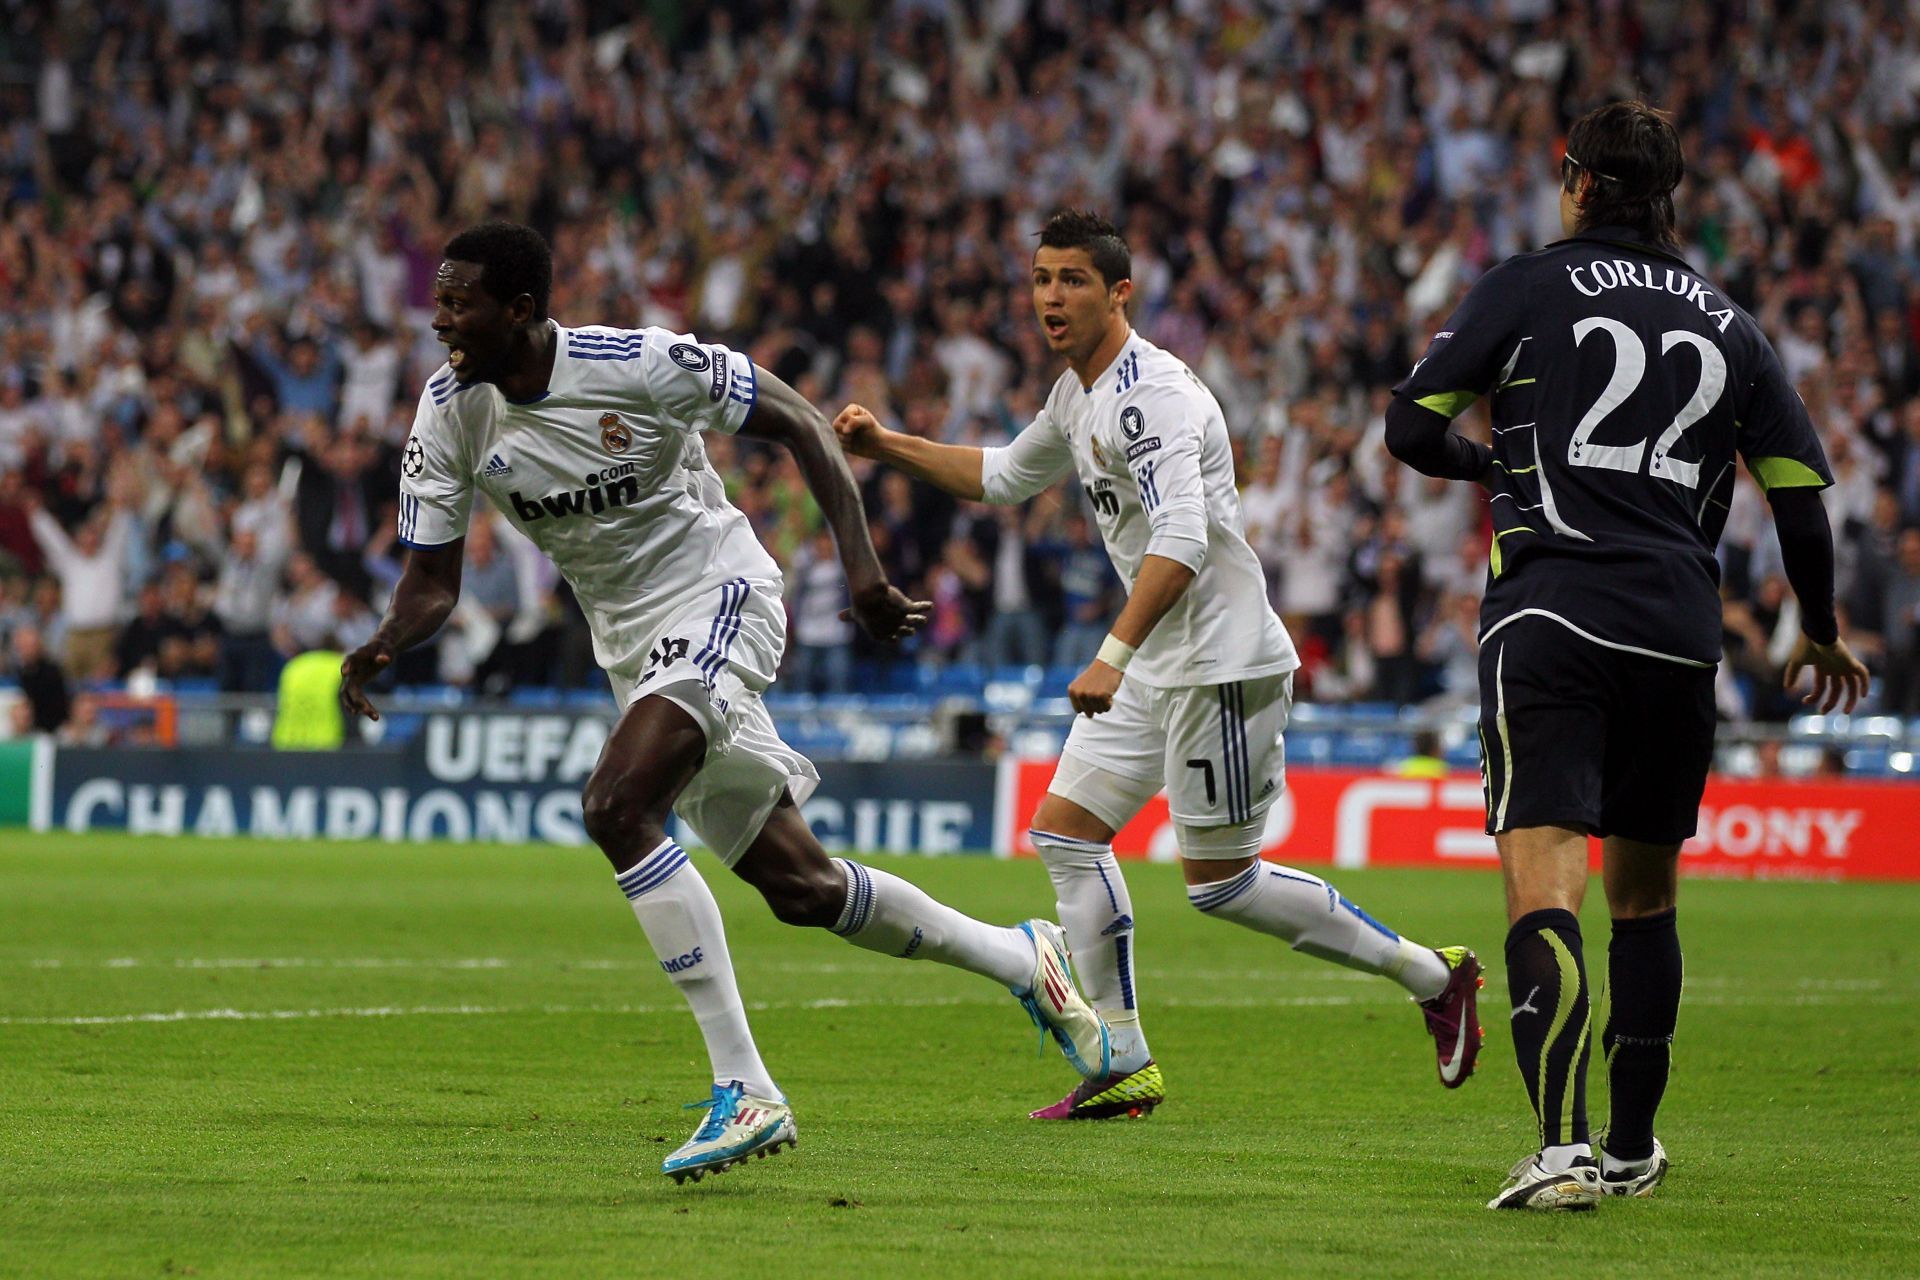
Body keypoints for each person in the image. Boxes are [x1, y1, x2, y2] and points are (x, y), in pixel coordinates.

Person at [339, 222, 1108, 1185]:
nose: (439, 319)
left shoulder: (638, 365)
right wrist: (384, 642)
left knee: (616, 806)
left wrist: (862, 571)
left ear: (522, 310)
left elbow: (796, 419)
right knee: (804, 890)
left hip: (720, 595)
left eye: (458, 302)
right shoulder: (449, 410)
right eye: (439, 299)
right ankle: (1017, 957)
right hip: (634, 651)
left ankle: (745, 1090)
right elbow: (432, 580)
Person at [835, 210, 1484, 1123]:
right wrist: (884, 445)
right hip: (1156, 663)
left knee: (1223, 883)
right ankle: (1123, 1058)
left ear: (1119, 291)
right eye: (1040, 278)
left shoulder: (1155, 398)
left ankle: (1433, 974)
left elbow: (1180, 538)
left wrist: (1110, 654)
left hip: (1217, 661)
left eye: (1071, 280)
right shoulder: (1077, 394)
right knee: (1064, 831)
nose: (1050, 297)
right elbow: (1003, 478)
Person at [1385, 102, 1871, 1211]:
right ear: (1671, 200)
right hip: (1678, 630)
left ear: (1576, 181)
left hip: (1553, 608)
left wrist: (1497, 464)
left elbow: (1410, 425)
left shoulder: (1526, 282)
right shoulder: (1733, 325)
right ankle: (1633, 1145)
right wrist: (1822, 625)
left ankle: (1559, 1150)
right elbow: (1800, 497)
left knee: (1541, 879)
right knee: (1644, 898)